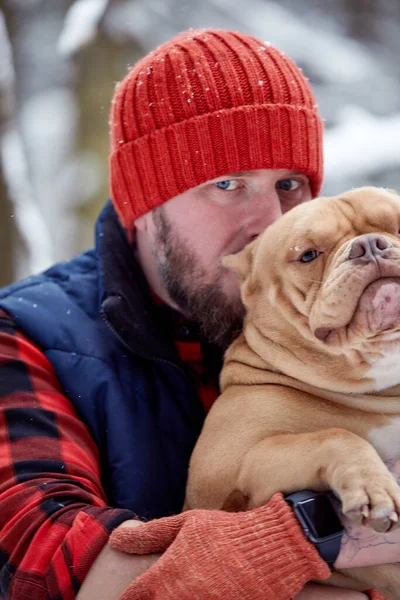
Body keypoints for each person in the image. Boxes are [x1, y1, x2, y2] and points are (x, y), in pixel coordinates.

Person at [0, 28, 397, 600]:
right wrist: (313, 531)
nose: (268, 219)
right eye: (227, 184)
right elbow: (62, 570)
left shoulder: (339, 323)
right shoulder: (27, 338)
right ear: (145, 206)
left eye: (289, 183)